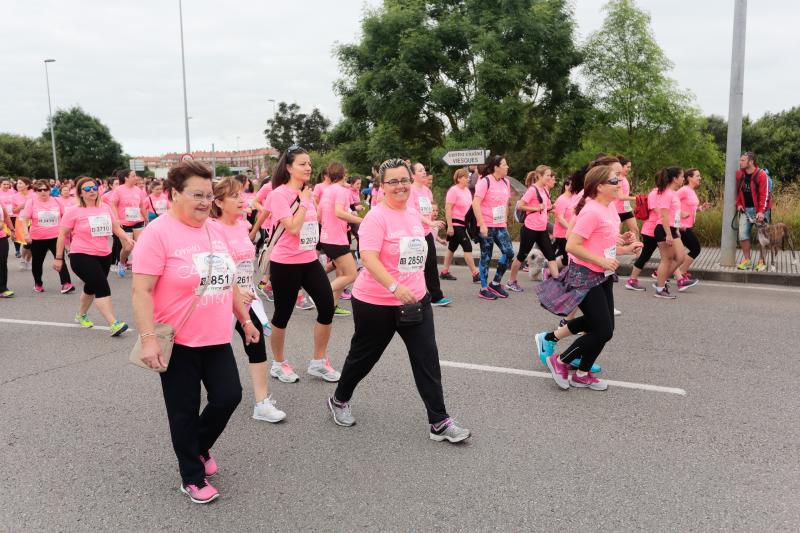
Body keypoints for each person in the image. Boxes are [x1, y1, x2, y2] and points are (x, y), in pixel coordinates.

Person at [132, 160, 259, 504]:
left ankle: (198, 446)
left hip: (217, 336)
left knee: (228, 397)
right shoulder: (157, 234)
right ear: (174, 193)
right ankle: (191, 474)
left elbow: (228, 279)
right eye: (197, 194)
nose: (205, 201)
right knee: (183, 410)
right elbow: (141, 291)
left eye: (209, 195)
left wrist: (245, 320)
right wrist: (148, 339)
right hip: (179, 340)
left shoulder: (214, 230)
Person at [326, 158, 470, 443]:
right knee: (363, 357)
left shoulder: (414, 213)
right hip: (375, 302)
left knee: (426, 358)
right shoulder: (375, 218)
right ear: (382, 186)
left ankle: (439, 421)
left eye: (404, 180)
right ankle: (339, 399)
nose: (400, 186)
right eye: (392, 181)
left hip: (415, 301)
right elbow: (368, 257)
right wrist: (393, 286)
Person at [535, 165, 642, 391]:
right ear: (599, 186)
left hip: (602, 274)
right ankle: (561, 361)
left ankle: (583, 373)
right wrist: (602, 261)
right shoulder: (591, 211)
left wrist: (624, 244)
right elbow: (573, 245)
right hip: (585, 275)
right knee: (602, 329)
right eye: (614, 181)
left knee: (604, 327)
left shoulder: (610, 207)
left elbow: (604, 242)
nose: (619, 184)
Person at [209, 177, 286, 423]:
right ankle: (211, 389)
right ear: (219, 202)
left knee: (255, 344)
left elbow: (245, 264)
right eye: (234, 196)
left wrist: (245, 288)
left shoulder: (242, 224)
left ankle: (262, 403)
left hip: (246, 297)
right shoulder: (211, 228)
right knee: (211, 350)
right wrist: (232, 290)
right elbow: (211, 267)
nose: (242, 200)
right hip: (218, 299)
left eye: (241, 195)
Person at [264, 145, 340, 384]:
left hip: (309, 259)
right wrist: (305, 201)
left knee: (327, 305)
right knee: (283, 314)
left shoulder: (308, 192)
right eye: (302, 164)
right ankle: (278, 363)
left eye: (309, 163)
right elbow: (293, 228)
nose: (308, 167)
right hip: (285, 263)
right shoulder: (279, 195)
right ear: (288, 167)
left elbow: (310, 227)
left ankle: (318, 362)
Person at [55, 176, 131, 335]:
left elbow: (116, 228)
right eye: (87, 189)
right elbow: (62, 235)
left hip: (104, 254)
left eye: (94, 188)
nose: (92, 191)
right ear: (80, 193)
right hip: (81, 255)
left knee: (91, 287)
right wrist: (58, 257)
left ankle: (81, 314)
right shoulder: (73, 211)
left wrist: (128, 239)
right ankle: (113, 323)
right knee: (102, 287)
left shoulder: (105, 207)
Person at [626, 167, 685, 299]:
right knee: (662, 258)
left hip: (668, 228)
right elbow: (662, 215)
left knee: (679, 257)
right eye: (682, 176)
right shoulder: (661, 194)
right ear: (674, 179)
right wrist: (669, 233)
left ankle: (661, 280)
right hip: (658, 229)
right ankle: (659, 285)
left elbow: (671, 214)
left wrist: (675, 229)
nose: (683, 179)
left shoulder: (671, 193)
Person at [318, 162, 362, 317]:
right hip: (337, 239)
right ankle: (320, 294)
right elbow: (338, 212)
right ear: (344, 174)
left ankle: (333, 306)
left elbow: (319, 215)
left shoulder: (327, 190)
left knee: (341, 272)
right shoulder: (343, 191)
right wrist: (361, 220)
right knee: (351, 275)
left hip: (326, 237)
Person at [507, 166, 558, 291]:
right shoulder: (532, 190)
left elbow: (545, 207)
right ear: (539, 176)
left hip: (541, 229)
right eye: (547, 175)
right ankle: (511, 281)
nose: (550, 177)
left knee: (550, 255)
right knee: (521, 256)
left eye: (550, 175)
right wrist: (536, 208)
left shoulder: (545, 190)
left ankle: (558, 284)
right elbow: (520, 206)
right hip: (530, 228)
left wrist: (553, 208)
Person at [20, 179, 75, 293]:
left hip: (56, 236)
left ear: (50, 190)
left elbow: (65, 217)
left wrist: (70, 231)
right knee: (37, 262)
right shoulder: (31, 202)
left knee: (60, 258)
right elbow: (25, 220)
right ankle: (38, 283)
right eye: (39, 190)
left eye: (45, 189)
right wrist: (26, 234)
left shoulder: (57, 201)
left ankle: (66, 283)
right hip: (37, 237)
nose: (43, 192)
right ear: (36, 192)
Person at [472, 155, 514, 300]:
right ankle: (483, 288)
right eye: (505, 164)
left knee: (509, 253)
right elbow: (475, 203)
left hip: (500, 225)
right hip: (487, 225)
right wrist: (482, 224)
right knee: (486, 256)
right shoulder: (485, 182)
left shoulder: (506, 183)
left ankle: (495, 283)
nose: (507, 167)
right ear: (496, 167)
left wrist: (505, 223)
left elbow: (506, 204)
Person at [409, 162, 450, 306]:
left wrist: (433, 222)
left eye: (423, 169)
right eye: (419, 170)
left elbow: (429, 211)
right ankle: (412, 295)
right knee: (416, 266)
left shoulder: (427, 191)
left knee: (431, 264)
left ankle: (436, 296)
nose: (423, 172)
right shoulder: (410, 190)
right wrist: (430, 222)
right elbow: (412, 213)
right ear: (413, 175)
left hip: (426, 233)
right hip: (414, 234)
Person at [441, 168, 480, 283]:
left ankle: (444, 271)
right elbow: (448, 209)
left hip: (464, 224)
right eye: (465, 177)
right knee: (467, 246)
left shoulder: (467, 191)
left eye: (468, 177)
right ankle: (475, 273)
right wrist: (450, 226)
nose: (468, 179)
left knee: (452, 247)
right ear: (458, 178)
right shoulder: (453, 191)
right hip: (455, 223)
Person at [735, 151, 772, 271]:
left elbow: (765, 195)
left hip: (760, 210)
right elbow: (738, 191)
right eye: (740, 160)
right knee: (742, 235)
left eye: (743, 160)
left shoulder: (761, 175)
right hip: (745, 210)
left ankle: (762, 261)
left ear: (751, 162)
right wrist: (739, 203)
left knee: (762, 237)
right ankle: (747, 261)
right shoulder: (740, 174)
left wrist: (761, 211)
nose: (740, 162)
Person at [111, 169, 148, 277]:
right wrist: (116, 219)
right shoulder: (118, 190)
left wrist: (146, 218)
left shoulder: (138, 190)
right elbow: (113, 204)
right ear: (126, 178)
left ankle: (140, 267)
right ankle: (122, 263)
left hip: (138, 220)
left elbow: (141, 205)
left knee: (140, 245)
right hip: (124, 222)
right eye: (133, 176)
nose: (136, 177)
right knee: (128, 247)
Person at [551, 176, 573, 267]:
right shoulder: (562, 199)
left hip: (569, 233)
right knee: (566, 258)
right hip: (562, 234)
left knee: (567, 257)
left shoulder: (573, 198)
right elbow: (560, 218)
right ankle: (548, 269)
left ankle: (550, 269)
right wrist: (571, 229)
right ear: (566, 186)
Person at [12, 178, 33, 269]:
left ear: (27, 185)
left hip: (33, 220)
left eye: (21, 183)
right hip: (21, 221)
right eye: (18, 183)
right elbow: (14, 210)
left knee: (32, 243)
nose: (18, 185)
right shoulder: (15, 196)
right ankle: (23, 260)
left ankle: (28, 260)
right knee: (27, 242)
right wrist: (20, 207)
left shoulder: (34, 194)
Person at [0, 199, 14, 298]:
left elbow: (5, 216)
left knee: (2, 262)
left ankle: (3, 288)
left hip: (1, 236)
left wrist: (12, 230)